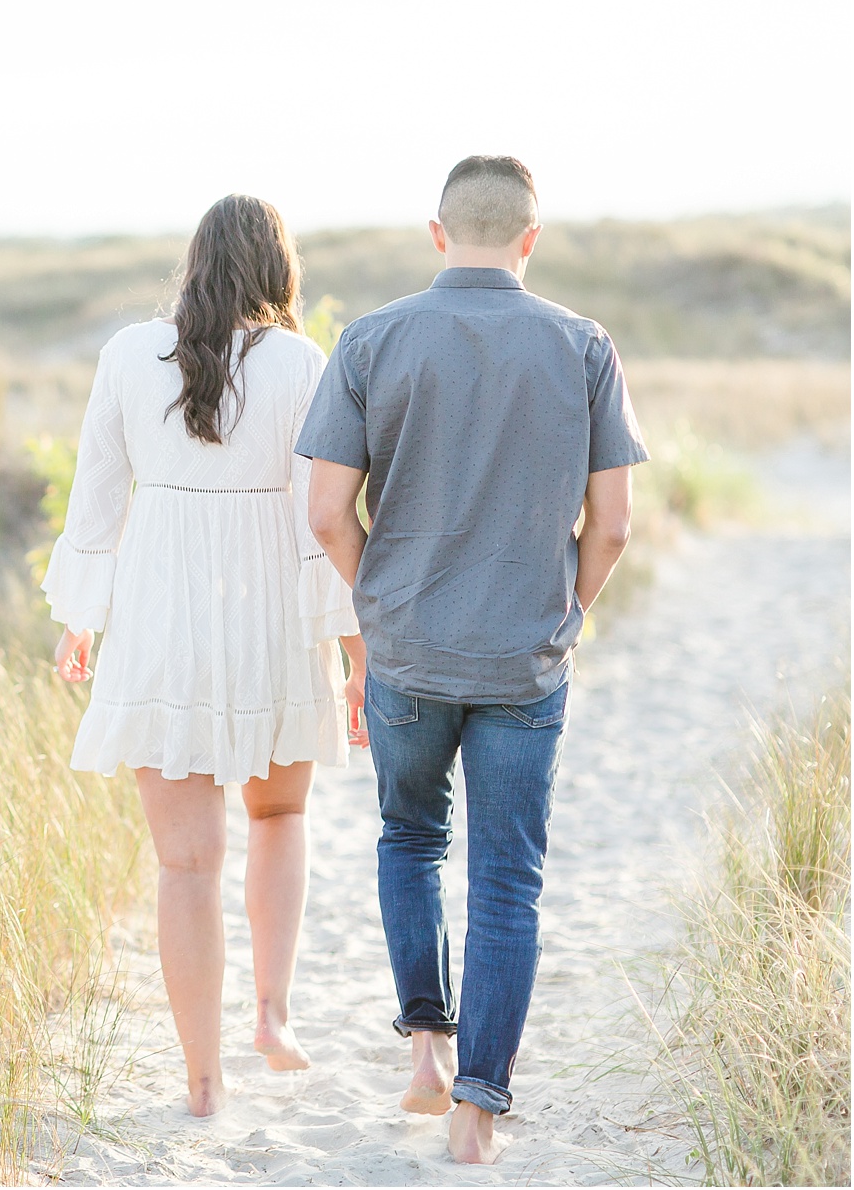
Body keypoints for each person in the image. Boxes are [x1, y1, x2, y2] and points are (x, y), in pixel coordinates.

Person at [298, 156, 648, 1164]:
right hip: (524, 660)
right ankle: (477, 1114)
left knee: (410, 838)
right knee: (508, 879)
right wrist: (561, 614)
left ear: (438, 232)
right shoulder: (584, 344)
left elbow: (326, 511)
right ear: (531, 238)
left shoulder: (369, 339)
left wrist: (385, 613)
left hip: (408, 650)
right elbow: (613, 524)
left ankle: (426, 1050)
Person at [43, 194, 366, 1118]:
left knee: (185, 867)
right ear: (279, 271)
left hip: (159, 619)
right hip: (269, 615)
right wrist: (354, 653)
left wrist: (83, 618)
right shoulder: (303, 363)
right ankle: (272, 1012)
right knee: (279, 818)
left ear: (195, 262)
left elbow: (94, 502)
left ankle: (204, 1080)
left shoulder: (123, 355)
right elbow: (324, 522)